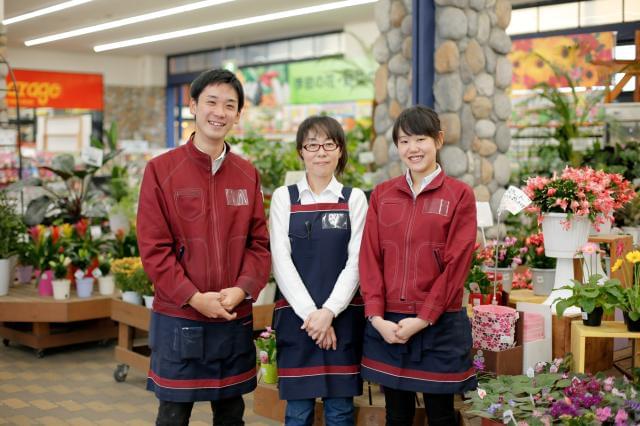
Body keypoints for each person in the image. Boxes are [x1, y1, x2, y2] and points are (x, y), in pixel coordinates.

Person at [137, 68, 271, 426]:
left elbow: (259, 244)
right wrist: (193, 296)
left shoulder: (246, 173)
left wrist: (242, 288)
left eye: (229, 105)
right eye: (211, 102)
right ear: (193, 105)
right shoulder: (161, 171)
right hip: (180, 316)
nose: (220, 112)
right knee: (173, 415)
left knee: (231, 414)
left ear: (238, 114)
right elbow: (153, 248)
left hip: (231, 315)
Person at [359, 105, 477, 426]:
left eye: (421, 139)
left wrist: (424, 318)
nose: (413, 148)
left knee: (441, 415)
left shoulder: (459, 196)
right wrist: (376, 316)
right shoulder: (382, 195)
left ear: (438, 140)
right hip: (390, 324)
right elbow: (369, 258)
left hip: (438, 322)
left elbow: (457, 265)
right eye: (404, 141)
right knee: (397, 414)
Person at [270, 116, 368, 425]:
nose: (320, 152)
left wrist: (329, 312)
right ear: (301, 151)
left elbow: (357, 262)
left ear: (340, 151)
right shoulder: (284, 197)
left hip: (342, 320)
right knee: (298, 413)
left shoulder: (354, 199)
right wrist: (313, 316)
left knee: (340, 410)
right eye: (312, 145)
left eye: (329, 144)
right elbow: (280, 260)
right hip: (298, 321)